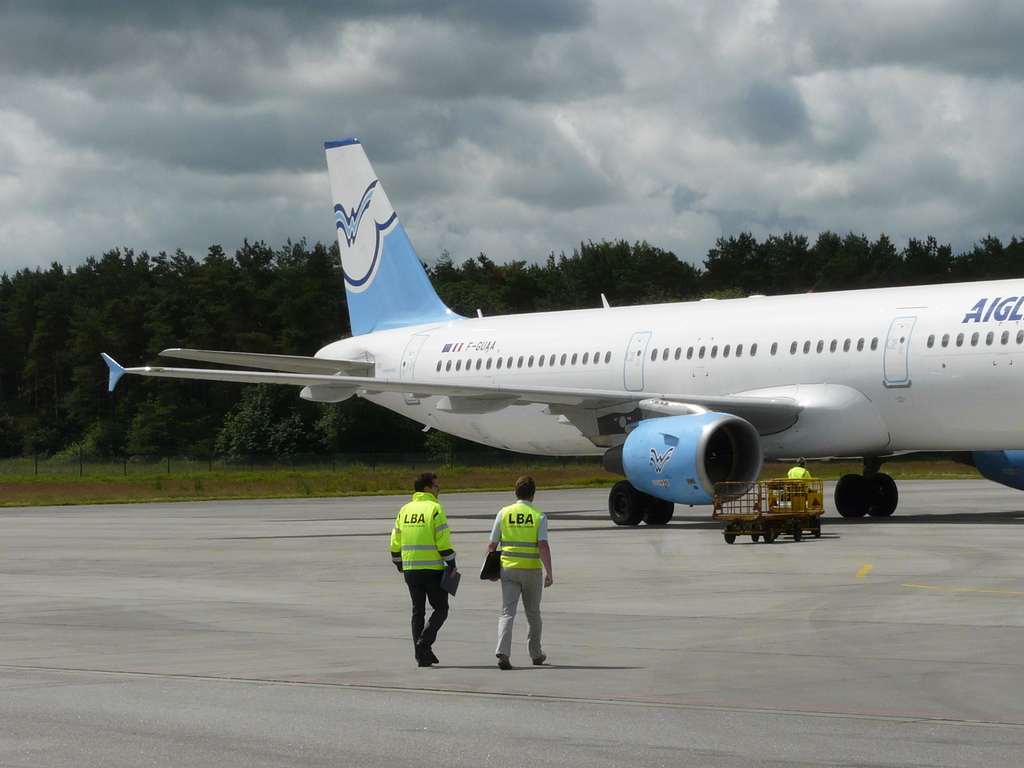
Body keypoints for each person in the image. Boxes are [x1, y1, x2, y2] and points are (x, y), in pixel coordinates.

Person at [486, 475, 553, 670]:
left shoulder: (503, 513)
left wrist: (490, 569)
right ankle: (536, 654)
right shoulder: (539, 516)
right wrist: (549, 572)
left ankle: (503, 651)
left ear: (515, 493)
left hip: (508, 570)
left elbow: (492, 545)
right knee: (533, 613)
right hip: (531, 570)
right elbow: (543, 545)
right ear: (533, 495)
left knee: (507, 612)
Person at [390, 472, 457, 667]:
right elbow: (442, 540)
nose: (439, 489)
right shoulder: (435, 509)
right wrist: (451, 562)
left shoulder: (405, 510)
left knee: (417, 611)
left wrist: (398, 562)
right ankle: (424, 642)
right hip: (432, 569)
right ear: (427, 489)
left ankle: (421, 656)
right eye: (436, 486)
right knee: (441, 609)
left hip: (411, 568)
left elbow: (395, 540)